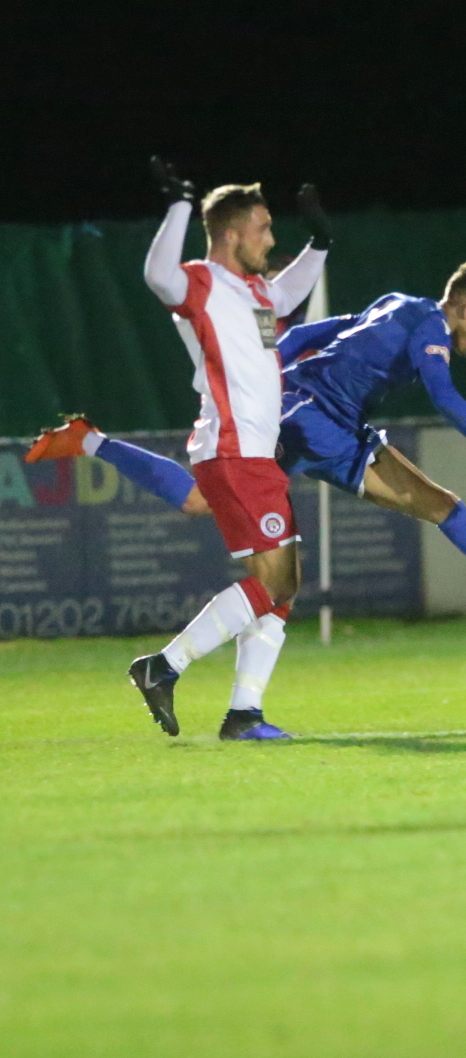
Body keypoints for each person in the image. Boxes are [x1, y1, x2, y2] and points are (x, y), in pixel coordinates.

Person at [32, 266, 466, 655]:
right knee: (203, 504)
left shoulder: (398, 304)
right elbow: (445, 396)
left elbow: (322, 329)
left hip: (330, 423)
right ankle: (88, 443)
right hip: (306, 418)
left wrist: (269, 367)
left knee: (440, 506)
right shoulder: (430, 328)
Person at [120, 161, 327, 741]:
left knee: (283, 586)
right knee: (276, 583)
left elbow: (289, 289)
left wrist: (321, 242)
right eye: (263, 227)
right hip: (232, 452)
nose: (271, 238)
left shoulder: (256, 291)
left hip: (257, 454)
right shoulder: (202, 282)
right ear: (231, 233)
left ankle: (244, 714)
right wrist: (181, 204)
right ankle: (164, 667)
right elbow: (159, 276)